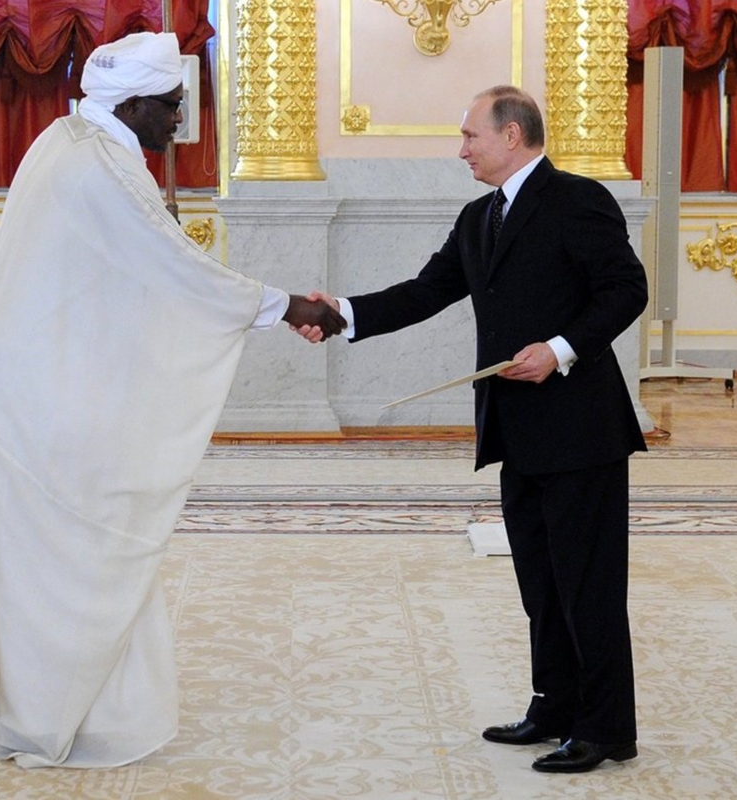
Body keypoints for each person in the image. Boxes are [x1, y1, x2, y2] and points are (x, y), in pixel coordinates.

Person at [0, 31, 344, 769]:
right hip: (57, 402)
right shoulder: (98, 167)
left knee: (60, 556)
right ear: (130, 104)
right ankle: (60, 713)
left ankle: (57, 701)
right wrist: (288, 305)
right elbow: (174, 270)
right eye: (170, 107)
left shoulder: (69, 142)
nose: (178, 123)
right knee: (79, 556)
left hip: (50, 385)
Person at [297, 86, 649, 773]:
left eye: (470, 137)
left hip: (582, 431)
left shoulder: (578, 200)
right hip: (516, 432)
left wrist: (560, 349)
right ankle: (554, 706)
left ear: (511, 135)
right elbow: (424, 292)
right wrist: (339, 310)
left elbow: (626, 289)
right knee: (541, 582)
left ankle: (607, 728)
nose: (461, 150)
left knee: (588, 584)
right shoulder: (476, 218)